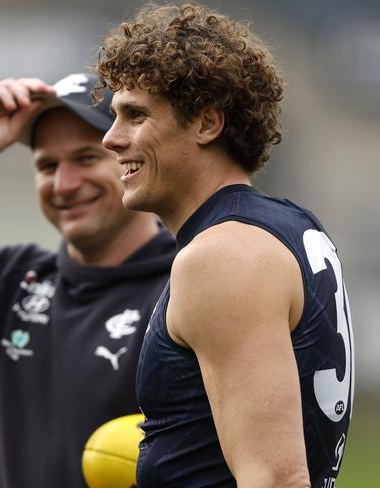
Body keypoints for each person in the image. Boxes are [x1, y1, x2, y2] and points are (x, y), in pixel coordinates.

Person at [96, 4, 354, 487]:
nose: (111, 139)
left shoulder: (223, 255)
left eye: (135, 115)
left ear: (207, 124)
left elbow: (275, 478)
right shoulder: (292, 224)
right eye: (114, 115)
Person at [0, 73, 176, 488]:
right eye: (47, 165)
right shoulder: (2, 282)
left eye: (85, 158)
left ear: (133, 158)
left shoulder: (187, 287)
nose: (64, 184)